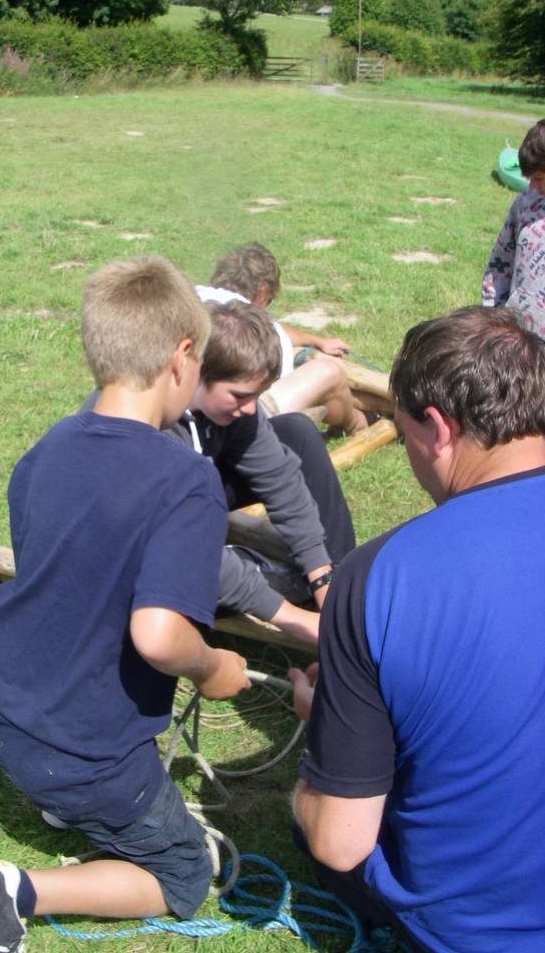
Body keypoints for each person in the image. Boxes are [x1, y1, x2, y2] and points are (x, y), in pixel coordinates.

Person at [0, 256, 251, 953]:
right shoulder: (186, 480)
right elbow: (160, 635)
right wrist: (212, 667)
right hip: (74, 751)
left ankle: (59, 803)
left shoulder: (48, 447)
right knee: (183, 875)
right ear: (182, 356)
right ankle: (13, 891)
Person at [290, 306, 545, 953]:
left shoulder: (378, 577)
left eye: (402, 437)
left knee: (317, 819)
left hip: (474, 932)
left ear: (436, 428)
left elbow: (339, 840)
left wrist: (323, 731)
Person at [167, 299, 356, 648]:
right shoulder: (155, 427)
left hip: (202, 481)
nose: (251, 408)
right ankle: (280, 594)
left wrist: (322, 577)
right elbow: (187, 551)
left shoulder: (238, 408)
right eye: (239, 395)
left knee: (296, 431)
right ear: (197, 371)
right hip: (159, 534)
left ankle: (340, 596)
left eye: (257, 395)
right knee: (190, 575)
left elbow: (282, 482)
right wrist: (286, 616)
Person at [198, 242, 369, 434]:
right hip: (248, 411)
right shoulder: (259, 325)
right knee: (331, 372)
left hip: (200, 401)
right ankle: (358, 423)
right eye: (269, 300)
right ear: (263, 291)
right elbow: (280, 369)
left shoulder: (196, 298)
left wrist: (317, 341)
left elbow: (280, 330)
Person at [482, 118, 545, 338]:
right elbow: (499, 264)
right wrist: (490, 317)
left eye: (538, 178)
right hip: (520, 340)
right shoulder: (526, 203)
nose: (532, 186)